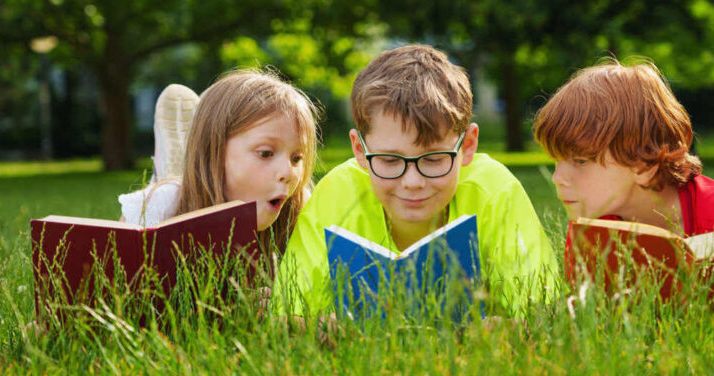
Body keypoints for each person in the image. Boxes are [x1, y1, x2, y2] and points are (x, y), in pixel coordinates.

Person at [271, 45, 558, 319]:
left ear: (467, 146)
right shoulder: (338, 192)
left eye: (434, 159)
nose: (412, 182)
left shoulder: (494, 190)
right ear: (360, 150)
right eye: (389, 160)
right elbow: (288, 315)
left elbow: (545, 312)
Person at [535, 58, 714, 314]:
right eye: (557, 161)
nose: (559, 177)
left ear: (643, 165)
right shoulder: (591, 229)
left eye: (581, 161)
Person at [118, 69, 320, 254]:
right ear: (214, 152)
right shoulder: (157, 205)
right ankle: (171, 167)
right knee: (170, 190)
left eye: (296, 158)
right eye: (266, 153)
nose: (287, 172)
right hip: (183, 194)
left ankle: (195, 138)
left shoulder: (299, 207)